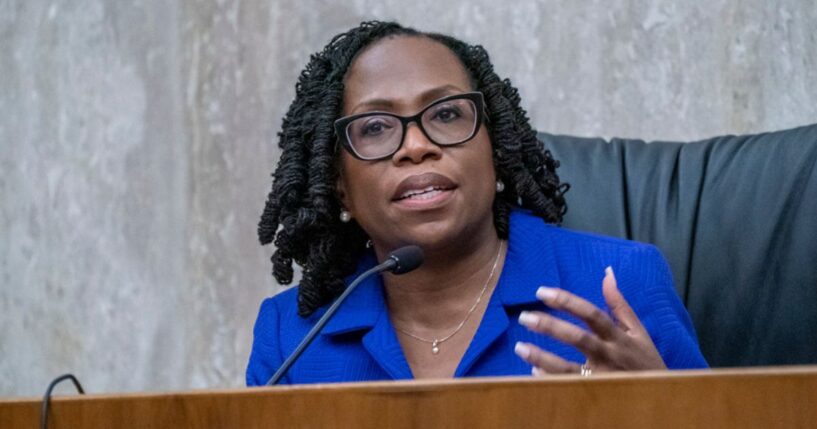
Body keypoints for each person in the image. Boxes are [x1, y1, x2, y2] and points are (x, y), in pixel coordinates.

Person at [247, 21, 707, 385]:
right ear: (338, 184)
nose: (416, 146)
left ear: (495, 149)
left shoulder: (620, 283)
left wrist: (660, 407)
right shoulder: (291, 336)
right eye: (375, 128)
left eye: (446, 114)